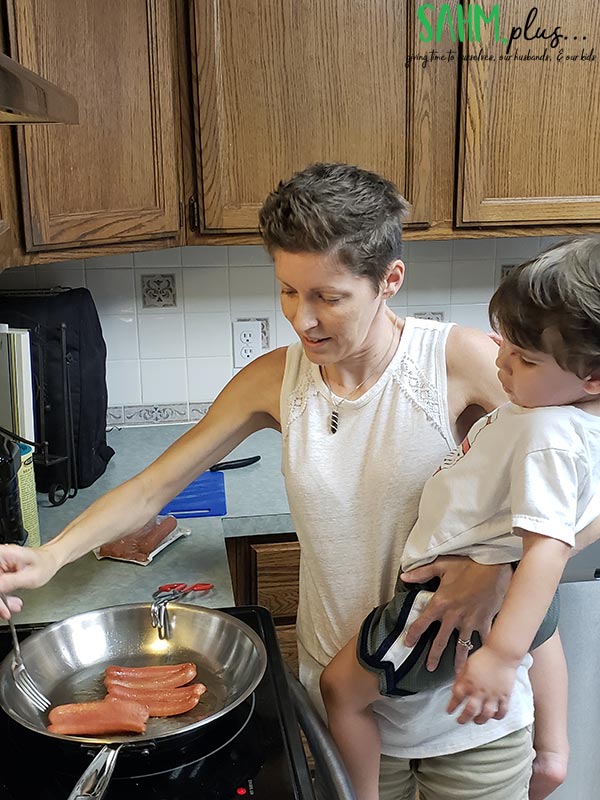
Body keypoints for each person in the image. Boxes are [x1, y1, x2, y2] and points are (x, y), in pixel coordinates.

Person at [0, 163, 594, 800]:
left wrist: (499, 570)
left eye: (328, 297)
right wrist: (48, 557)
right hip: (344, 700)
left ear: (389, 280)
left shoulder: (462, 361)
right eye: (288, 291)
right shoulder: (274, 381)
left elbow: (573, 475)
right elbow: (154, 487)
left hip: (469, 713)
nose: (302, 320)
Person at [319, 234, 600, 800]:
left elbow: (548, 550)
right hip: (501, 593)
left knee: (339, 690)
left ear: (592, 377)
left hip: (439, 605)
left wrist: (500, 657)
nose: (499, 360)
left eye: (523, 358)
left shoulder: (548, 433)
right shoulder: (562, 413)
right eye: (504, 343)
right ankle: (550, 752)